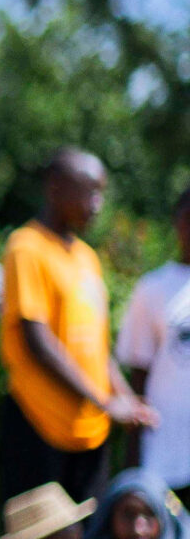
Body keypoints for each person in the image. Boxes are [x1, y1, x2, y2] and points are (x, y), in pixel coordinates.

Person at [0, 149, 156, 503]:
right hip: (40, 423)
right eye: (88, 192)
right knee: (42, 534)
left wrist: (124, 399)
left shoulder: (87, 257)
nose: (97, 205)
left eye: (101, 194)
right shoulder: (27, 248)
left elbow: (97, 348)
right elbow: (38, 342)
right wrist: (103, 401)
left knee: (89, 533)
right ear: (54, 188)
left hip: (89, 429)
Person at [117, 184, 190, 495]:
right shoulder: (153, 288)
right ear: (177, 221)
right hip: (164, 453)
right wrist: (133, 458)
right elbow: (139, 373)